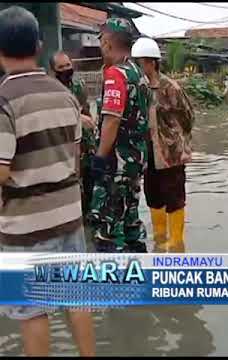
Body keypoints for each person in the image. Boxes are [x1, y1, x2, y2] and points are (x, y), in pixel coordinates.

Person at [0, 6, 95, 356]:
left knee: (32, 310)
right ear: (39, 47)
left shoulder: (4, 100)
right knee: (77, 299)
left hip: (26, 225)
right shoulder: (65, 96)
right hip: (69, 216)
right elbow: (73, 158)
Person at [88, 18, 151, 253]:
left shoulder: (116, 74)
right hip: (135, 161)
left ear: (107, 43)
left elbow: (112, 119)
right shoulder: (138, 72)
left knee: (106, 226)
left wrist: (100, 157)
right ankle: (139, 270)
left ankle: (111, 279)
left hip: (116, 163)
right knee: (130, 218)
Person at [131, 37, 195, 253]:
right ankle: (159, 240)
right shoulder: (138, 88)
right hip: (147, 153)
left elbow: (188, 117)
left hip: (171, 154)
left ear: (151, 62)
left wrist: (178, 141)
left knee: (175, 198)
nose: (137, 66)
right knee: (153, 196)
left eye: (140, 62)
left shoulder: (170, 88)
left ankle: (177, 244)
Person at [49, 51, 97, 219]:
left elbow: (86, 112)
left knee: (90, 178)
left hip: (85, 142)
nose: (65, 69)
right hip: (63, 144)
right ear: (53, 70)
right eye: (61, 67)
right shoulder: (50, 90)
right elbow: (53, 115)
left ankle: (89, 215)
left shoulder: (79, 85)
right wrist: (78, 116)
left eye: (68, 65)